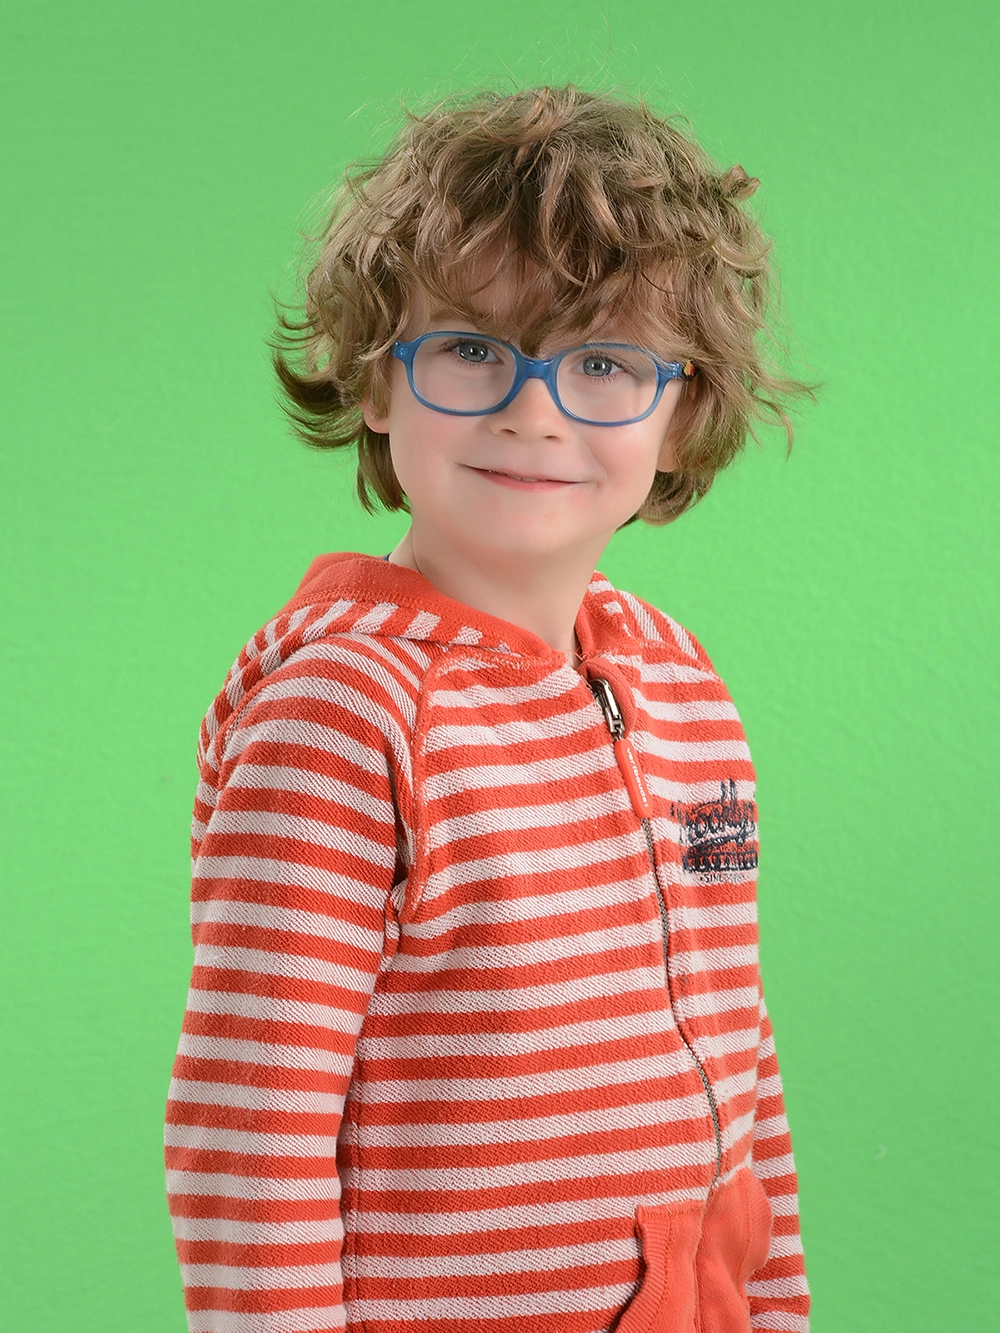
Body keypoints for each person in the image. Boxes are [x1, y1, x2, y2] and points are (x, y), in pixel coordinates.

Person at [165, 85, 812, 1333]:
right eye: (471, 349)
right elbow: (251, 1134)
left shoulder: (682, 684)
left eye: (603, 363)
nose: (534, 410)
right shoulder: (340, 713)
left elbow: (743, 1062)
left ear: (681, 413)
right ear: (375, 380)